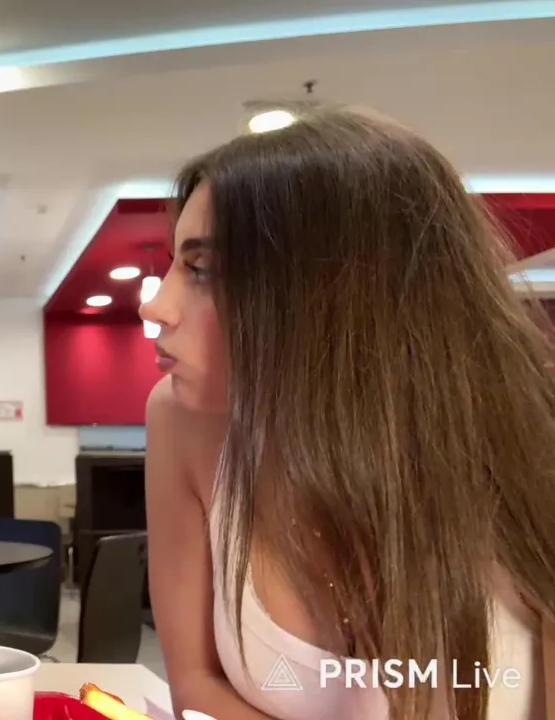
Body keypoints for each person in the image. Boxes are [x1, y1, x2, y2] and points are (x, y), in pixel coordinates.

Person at [141, 110, 554, 720]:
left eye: (203, 270)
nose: (155, 305)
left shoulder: (530, 445)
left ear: (334, 292)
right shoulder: (182, 421)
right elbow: (195, 682)